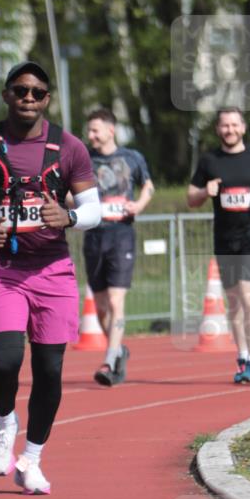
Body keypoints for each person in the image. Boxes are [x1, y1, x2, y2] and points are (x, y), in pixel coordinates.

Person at [0, 61, 100, 494]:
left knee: (50, 369)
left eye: (37, 92)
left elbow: (94, 208)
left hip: (53, 270)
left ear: (47, 98)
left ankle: (31, 457)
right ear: (6, 95)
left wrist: (69, 216)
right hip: (4, 269)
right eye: (21, 91)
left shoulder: (69, 148)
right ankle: (5, 421)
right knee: (5, 359)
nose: (29, 98)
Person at [187, 107, 250, 384]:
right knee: (234, 303)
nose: (229, 130)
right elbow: (191, 197)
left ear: (243, 127)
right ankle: (242, 356)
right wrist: (207, 191)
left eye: (234, 125)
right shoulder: (209, 161)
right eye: (224, 126)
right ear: (218, 129)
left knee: (249, 298)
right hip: (225, 238)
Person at [84, 108, 154, 386]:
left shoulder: (132, 158)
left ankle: (110, 357)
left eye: (95, 130)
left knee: (116, 300)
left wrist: (139, 204)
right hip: (94, 236)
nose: (90, 136)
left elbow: (149, 186)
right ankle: (118, 350)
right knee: (101, 307)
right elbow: (67, 192)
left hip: (121, 234)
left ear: (110, 130)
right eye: (89, 131)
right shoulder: (83, 160)